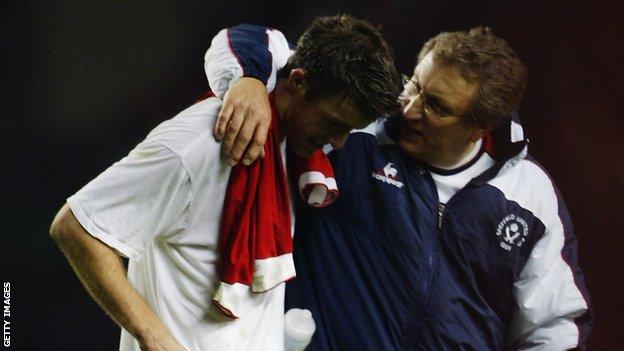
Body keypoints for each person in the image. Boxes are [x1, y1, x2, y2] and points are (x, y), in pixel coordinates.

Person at [208, 26, 593, 350]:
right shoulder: (356, 133)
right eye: (415, 85)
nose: (410, 110)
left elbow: (554, 328)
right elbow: (248, 39)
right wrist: (250, 79)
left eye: (437, 107)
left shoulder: (528, 197)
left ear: (480, 128)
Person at [48, 15, 401, 351]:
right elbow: (76, 226)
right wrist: (154, 337)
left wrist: (249, 76)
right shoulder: (197, 143)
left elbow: (270, 41)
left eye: (346, 131)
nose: (337, 143)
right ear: (297, 81)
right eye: (332, 122)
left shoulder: (291, 142)